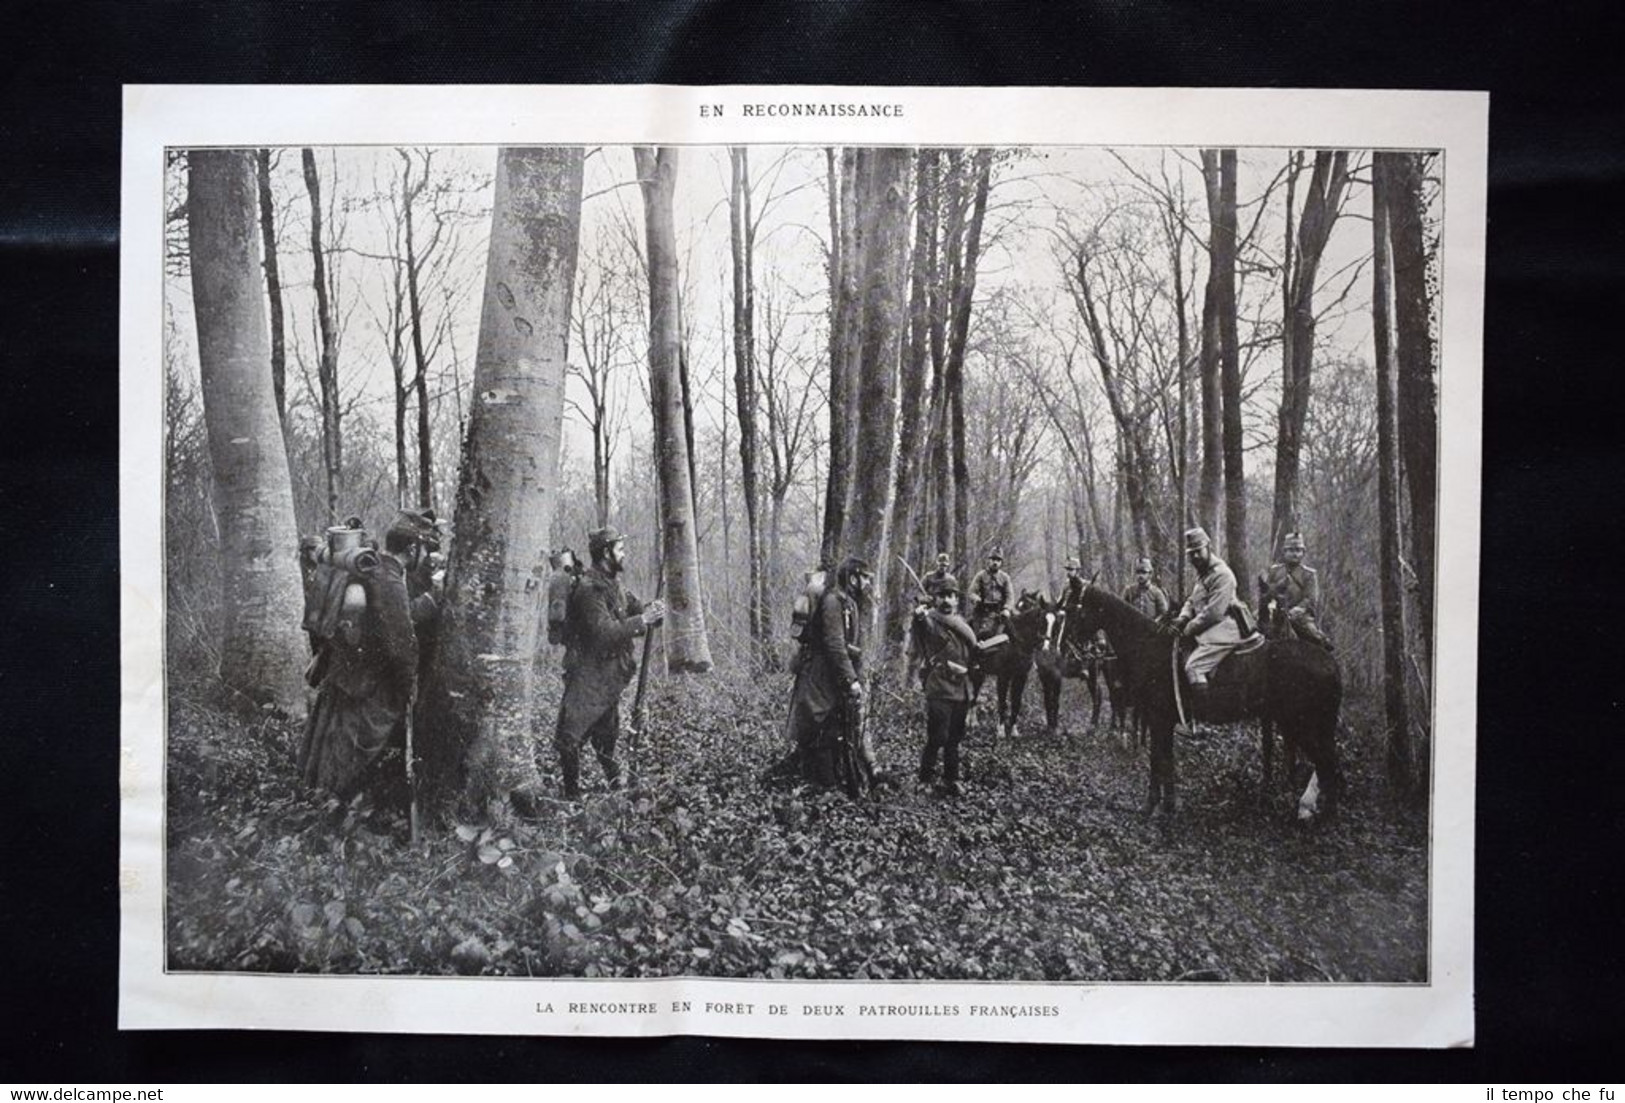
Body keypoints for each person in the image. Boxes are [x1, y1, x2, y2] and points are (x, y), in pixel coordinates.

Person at [298, 509, 441, 810]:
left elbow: (392, 621)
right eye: (426, 548)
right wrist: (408, 689)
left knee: (334, 752)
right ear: (413, 548)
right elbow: (400, 646)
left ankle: (324, 806)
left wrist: (429, 600)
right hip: (365, 686)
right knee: (350, 758)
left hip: (346, 676)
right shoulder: (388, 579)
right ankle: (336, 818)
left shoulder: (376, 569)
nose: (427, 556)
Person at [552, 526, 665, 800]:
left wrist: (652, 611)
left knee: (605, 739)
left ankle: (617, 790)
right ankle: (572, 798)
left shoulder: (613, 583)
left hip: (610, 675)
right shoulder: (590, 590)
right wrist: (642, 621)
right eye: (620, 549)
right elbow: (604, 634)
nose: (624, 554)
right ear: (606, 552)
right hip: (588, 675)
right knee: (570, 739)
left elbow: (636, 609)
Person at [777, 555, 873, 790]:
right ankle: (824, 785)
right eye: (864, 578)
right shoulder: (833, 601)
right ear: (852, 578)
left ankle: (828, 782)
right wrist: (851, 680)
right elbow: (833, 644)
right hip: (819, 672)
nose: (868, 584)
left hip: (828, 671)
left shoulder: (845, 601)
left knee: (832, 725)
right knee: (820, 725)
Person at [1169, 527, 1251, 729]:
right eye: (1192, 553)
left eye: (1199, 550)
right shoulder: (1202, 574)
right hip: (1208, 625)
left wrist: (1188, 628)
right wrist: (1182, 618)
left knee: (1194, 667)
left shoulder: (1222, 574)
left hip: (1226, 627)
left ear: (1208, 547)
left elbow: (1214, 612)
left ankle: (1205, 720)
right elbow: (1191, 600)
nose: (1196, 555)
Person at [911, 577, 978, 798]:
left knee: (954, 739)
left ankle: (952, 779)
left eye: (951, 596)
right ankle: (925, 779)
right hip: (939, 687)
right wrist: (919, 616)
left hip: (961, 689)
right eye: (942, 596)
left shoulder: (962, 624)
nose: (947, 600)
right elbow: (922, 626)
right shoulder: (931, 621)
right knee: (937, 736)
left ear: (957, 600)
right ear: (936, 599)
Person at [1258, 532, 1333, 650]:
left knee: (1313, 635)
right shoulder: (1275, 571)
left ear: (1303, 553)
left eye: (1298, 550)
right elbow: (1269, 591)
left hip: (1299, 615)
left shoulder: (1309, 574)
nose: (1295, 554)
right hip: (1276, 611)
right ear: (1284, 552)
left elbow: (1311, 599)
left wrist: (1297, 610)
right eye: (1291, 550)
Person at [967, 548, 1013, 637]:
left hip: (1000, 612)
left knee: (1013, 633)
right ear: (989, 560)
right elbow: (971, 592)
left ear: (1001, 562)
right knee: (976, 635)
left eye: (998, 560)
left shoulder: (1005, 577)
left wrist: (1007, 609)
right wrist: (977, 599)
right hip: (982, 612)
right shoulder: (980, 575)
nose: (995, 562)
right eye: (993, 559)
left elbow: (1009, 595)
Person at [1122, 556, 1170, 621]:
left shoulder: (1156, 592)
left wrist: (1155, 622)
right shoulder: (1129, 591)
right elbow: (1122, 610)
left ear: (1150, 574)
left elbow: (1163, 613)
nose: (1140, 575)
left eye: (1144, 572)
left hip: (1150, 627)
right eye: (1138, 572)